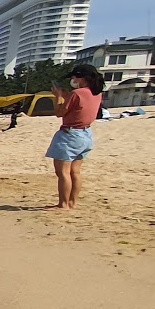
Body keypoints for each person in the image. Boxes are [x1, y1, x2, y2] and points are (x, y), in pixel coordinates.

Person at [47, 63, 104, 210]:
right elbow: (81, 108)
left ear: (81, 78)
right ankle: (72, 202)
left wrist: (58, 97)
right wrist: (67, 96)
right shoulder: (96, 93)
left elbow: (60, 112)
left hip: (70, 134)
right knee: (75, 172)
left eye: (74, 76)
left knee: (63, 172)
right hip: (86, 134)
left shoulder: (77, 93)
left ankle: (63, 204)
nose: (72, 79)